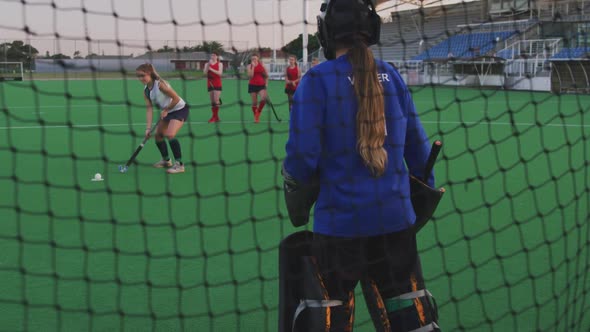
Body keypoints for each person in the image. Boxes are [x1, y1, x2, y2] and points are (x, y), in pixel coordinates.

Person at [281, 0, 440, 331]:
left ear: (325, 33)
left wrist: (296, 196)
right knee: (411, 317)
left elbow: (301, 159)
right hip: (396, 226)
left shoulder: (316, 81)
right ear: (372, 29)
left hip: (339, 227)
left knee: (326, 317)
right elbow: (421, 155)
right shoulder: (393, 77)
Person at [136, 63, 188, 174]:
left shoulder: (160, 85)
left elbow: (176, 99)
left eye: (143, 75)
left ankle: (179, 165)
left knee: (170, 134)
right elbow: (149, 109)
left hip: (179, 109)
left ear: (149, 74)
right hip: (168, 111)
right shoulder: (146, 91)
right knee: (158, 136)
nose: (141, 78)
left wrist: (166, 109)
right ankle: (166, 160)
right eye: (139, 76)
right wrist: (148, 128)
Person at [247, 53, 268, 123]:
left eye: (255, 58)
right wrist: (253, 67)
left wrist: (266, 83)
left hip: (261, 85)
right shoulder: (249, 66)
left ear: (258, 59)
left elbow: (266, 75)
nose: (254, 60)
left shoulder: (262, 65)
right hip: (252, 85)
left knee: (264, 99)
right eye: (252, 59)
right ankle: (256, 117)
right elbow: (250, 76)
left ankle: (258, 112)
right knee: (254, 102)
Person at [204, 52, 223, 123]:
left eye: (214, 55)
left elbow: (220, 73)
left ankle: (214, 117)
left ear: (217, 57)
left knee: (216, 100)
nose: (213, 56)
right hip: (209, 83)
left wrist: (211, 69)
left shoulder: (220, 64)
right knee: (212, 101)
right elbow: (205, 73)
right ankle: (216, 117)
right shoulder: (207, 64)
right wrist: (208, 66)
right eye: (212, 55)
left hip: (217, 83)